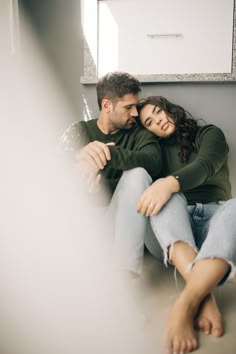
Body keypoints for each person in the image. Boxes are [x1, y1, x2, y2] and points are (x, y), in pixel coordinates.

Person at [136, 95, 236, 354]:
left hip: (217, 220)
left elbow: (206, 164)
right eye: (149, 122)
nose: (157, 120)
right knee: (163, 194)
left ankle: (187, 301)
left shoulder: (209, 134)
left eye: (159, 112)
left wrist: (169, 182)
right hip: (173, 229)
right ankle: (205, 296)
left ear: (170, 110)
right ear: (148, 130)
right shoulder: (153, 152)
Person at [60, 72, 162, 278]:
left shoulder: (140, 134)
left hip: (122, 224)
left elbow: (154, 162)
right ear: (107, 106)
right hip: (82, 223)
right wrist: (80, 157)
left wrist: (105, 155)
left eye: (136, 106)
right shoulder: (78, 131)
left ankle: (125, 276)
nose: (135, 113)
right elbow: (45, 165)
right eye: (128, 107)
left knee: (138, 173)